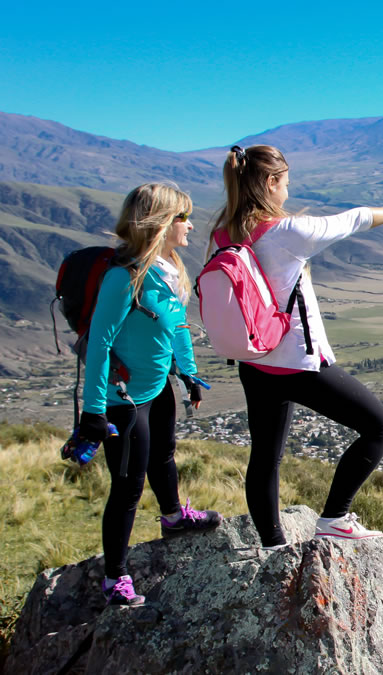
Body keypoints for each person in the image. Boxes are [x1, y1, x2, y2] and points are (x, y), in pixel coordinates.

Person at [212, 144, 383, 549]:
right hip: (296, 364)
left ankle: (273, 544)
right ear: (272, 182)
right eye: (286, 184)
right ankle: (334, 517)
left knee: (266, 457)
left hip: (254, 361)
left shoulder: (224, 232)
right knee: (380, 426)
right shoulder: (290, 233)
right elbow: (355, 219)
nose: (288, 193)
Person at [77, 183, 222, 606]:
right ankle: (115, 578)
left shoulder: (169, 269)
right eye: (182, 217)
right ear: (159, 223)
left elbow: (176, 327)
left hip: (157, 388)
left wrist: (189, 375)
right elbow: (100, 344)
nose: (190, 225)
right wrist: (92, 412)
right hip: (122, 401)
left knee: (164, 454)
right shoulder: (123, 279)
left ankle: (174, 516)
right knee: (127, 487)